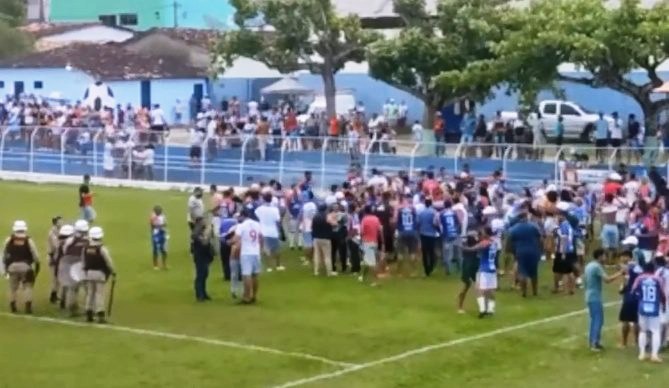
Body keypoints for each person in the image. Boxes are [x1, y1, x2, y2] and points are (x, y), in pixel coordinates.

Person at [584, 248, 624, 351]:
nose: (606, 258)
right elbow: (607, 280)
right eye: (604, 256)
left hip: (588, 294)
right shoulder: (597, 267)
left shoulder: (589, 265)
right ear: (600, 256)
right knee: (598, 320)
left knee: (594, 319)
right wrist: (620, 273)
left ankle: (592, 341)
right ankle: (594, 343)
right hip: (595, 296)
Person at [2, 221, 40, 314]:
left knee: (13, 288)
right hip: (25, 267)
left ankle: (13, 306)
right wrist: (37, 266)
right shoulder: (28, 240)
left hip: (12, 267)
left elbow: (4, 255)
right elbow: (35, 256)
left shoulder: (9, 239)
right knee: (28, 287)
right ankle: (28, 308)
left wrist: (5, 268)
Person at [632, 261, 666, 362]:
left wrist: (640, 298)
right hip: (654, 307)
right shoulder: (658, 279)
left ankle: (642, 353)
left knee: (643, 330)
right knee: (655, 331)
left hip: (642, 307)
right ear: (653, 269)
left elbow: (633, 292)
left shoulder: (639, 278)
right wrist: (663, 304)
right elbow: (663, 294)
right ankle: (654, 355)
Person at [82, 226, 115, 323]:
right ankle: (100, 315)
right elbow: (108, 262)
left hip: (88, 273)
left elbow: (83, 261)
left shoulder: (85, 248)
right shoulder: (102, 249)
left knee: (90, 293)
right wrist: (113, 271)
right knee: (99, 294)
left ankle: (89, 312)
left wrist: (85, 271)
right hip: (100, 273)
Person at [464, 226, 498, 318]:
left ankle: (482, 309)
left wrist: (461, 246)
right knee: (490, 290)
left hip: (484, 269)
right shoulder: (494, 242)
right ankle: (490, 309)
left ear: (486, 233)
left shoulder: (485, 242)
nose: (481, 234)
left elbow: (472, 249)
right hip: (492, 268)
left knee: (479, 289)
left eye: (482, 232)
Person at [507, 211, 542, 297]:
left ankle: (524, 292)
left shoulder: (514, 229)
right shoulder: (533, 227)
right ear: (526, 218)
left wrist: (511, 252)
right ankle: (534, 291)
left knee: (522, 271)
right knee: (534, 272)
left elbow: (509, 243)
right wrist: (540, 250)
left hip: (521, 251)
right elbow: (540, 239)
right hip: (533, 251)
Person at [60, 220, 89, 315]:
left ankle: (72, 308)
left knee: (72, 288)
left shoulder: (70, 240)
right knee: (87, 288)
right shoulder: (88, 240)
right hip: (83, 264)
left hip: (70, 264)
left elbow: (65, 251)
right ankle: (89, 308)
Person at [235, 208, 263, 304]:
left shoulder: (241, 226)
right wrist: (260, 249)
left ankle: (246, 297)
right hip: (256, 252)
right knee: (255, 275)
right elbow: (260, 238)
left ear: (243, 216)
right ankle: (254, 296)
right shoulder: (257, 224)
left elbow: (236, 239)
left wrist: (228, 242)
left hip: (246, 253)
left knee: (246, 275)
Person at [255, 192, 284, 272]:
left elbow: (257, 218)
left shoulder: (259, 209)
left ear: (263, 199)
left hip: (263, 231)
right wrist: (279, 231)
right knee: (276, 249)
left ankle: (269, 267)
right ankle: (278, 265)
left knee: (266, 249)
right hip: (273, 231)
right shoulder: (275, 210)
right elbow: (278, 221)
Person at [191, 216, 214, 302]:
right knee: (200, 275)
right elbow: (200, 240)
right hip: (200, 256)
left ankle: (203, 293)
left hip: (205, 255)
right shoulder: (197, 231)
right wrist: (204, 238)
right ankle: (199, 295)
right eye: (203, 221)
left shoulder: (203, 230)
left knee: (205, 274)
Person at [360, 204, 383, 286]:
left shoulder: (364, 220)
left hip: (367, 242)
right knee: (368, 261)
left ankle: (376, 281)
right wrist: (382, 242)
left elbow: (362, 232)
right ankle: (362, 276)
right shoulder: (376, 219)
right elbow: (380, 230)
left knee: (371, 263)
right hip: (375, 242)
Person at [311, 204, 337, 277]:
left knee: (316, 255)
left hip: (316, 238)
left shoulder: (315, 216)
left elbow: (312, 227)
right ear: (326, 209)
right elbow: (334, 224)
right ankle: (329, 272)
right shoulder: (327, 216)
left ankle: (316, 271)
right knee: (327, 256)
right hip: (325, 238)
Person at [396, 196, 419, 277]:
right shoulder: (413, 210)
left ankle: (399, 272)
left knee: (400, 252)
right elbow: (416, 220)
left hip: (402, 232)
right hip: (412, 232)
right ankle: (414, 271)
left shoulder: (400, 210)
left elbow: (396, 221)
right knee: (412, 252)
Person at [417, 199, 439, 277]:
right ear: (431, 204)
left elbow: (418, 223)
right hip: (431, 234)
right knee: (431, 252)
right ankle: (431, 267)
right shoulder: (434, 212)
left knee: (424, 253)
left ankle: (426, 269)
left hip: (423, 234)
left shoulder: (421, 213)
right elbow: (436, 223)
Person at [458, 233, 479, 314]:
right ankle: (484, 306)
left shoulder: (465, 247)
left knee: (467, 286)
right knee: (471, 285)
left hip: (467, 265)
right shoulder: (475, 246)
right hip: (472, 266)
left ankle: (460, 307)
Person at [439, 200, 461, 276]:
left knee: (447, 253)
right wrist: (457, 230)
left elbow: (438, 223)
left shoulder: (441, 213)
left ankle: (447, 270)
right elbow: (459, 222)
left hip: (446, 235)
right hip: (455, 234)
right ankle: (459, 268)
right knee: (457, 251)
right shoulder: (454, 213)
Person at [47, 216, 62, 303]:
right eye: (60, 221)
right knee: (55, 278)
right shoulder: (52, 233)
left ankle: (55, 295)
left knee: (57, 278)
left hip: (56, 257)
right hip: (53, 257)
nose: (62, 223)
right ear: (56, 223)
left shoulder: (58, 231)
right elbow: (56, 245)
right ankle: (53, 296)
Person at [150, 206, 168, 270]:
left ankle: (164, 264)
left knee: (164, 250)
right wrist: (160, 225)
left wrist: (160, 226)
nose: (159, 212)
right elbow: (152, 225)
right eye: (158, 211)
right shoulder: (153, 217)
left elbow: (165, 224)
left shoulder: (163, 216)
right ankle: (155, 265)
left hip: (162, 234)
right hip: (156, 235)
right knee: (155, 250)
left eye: (160, 211)